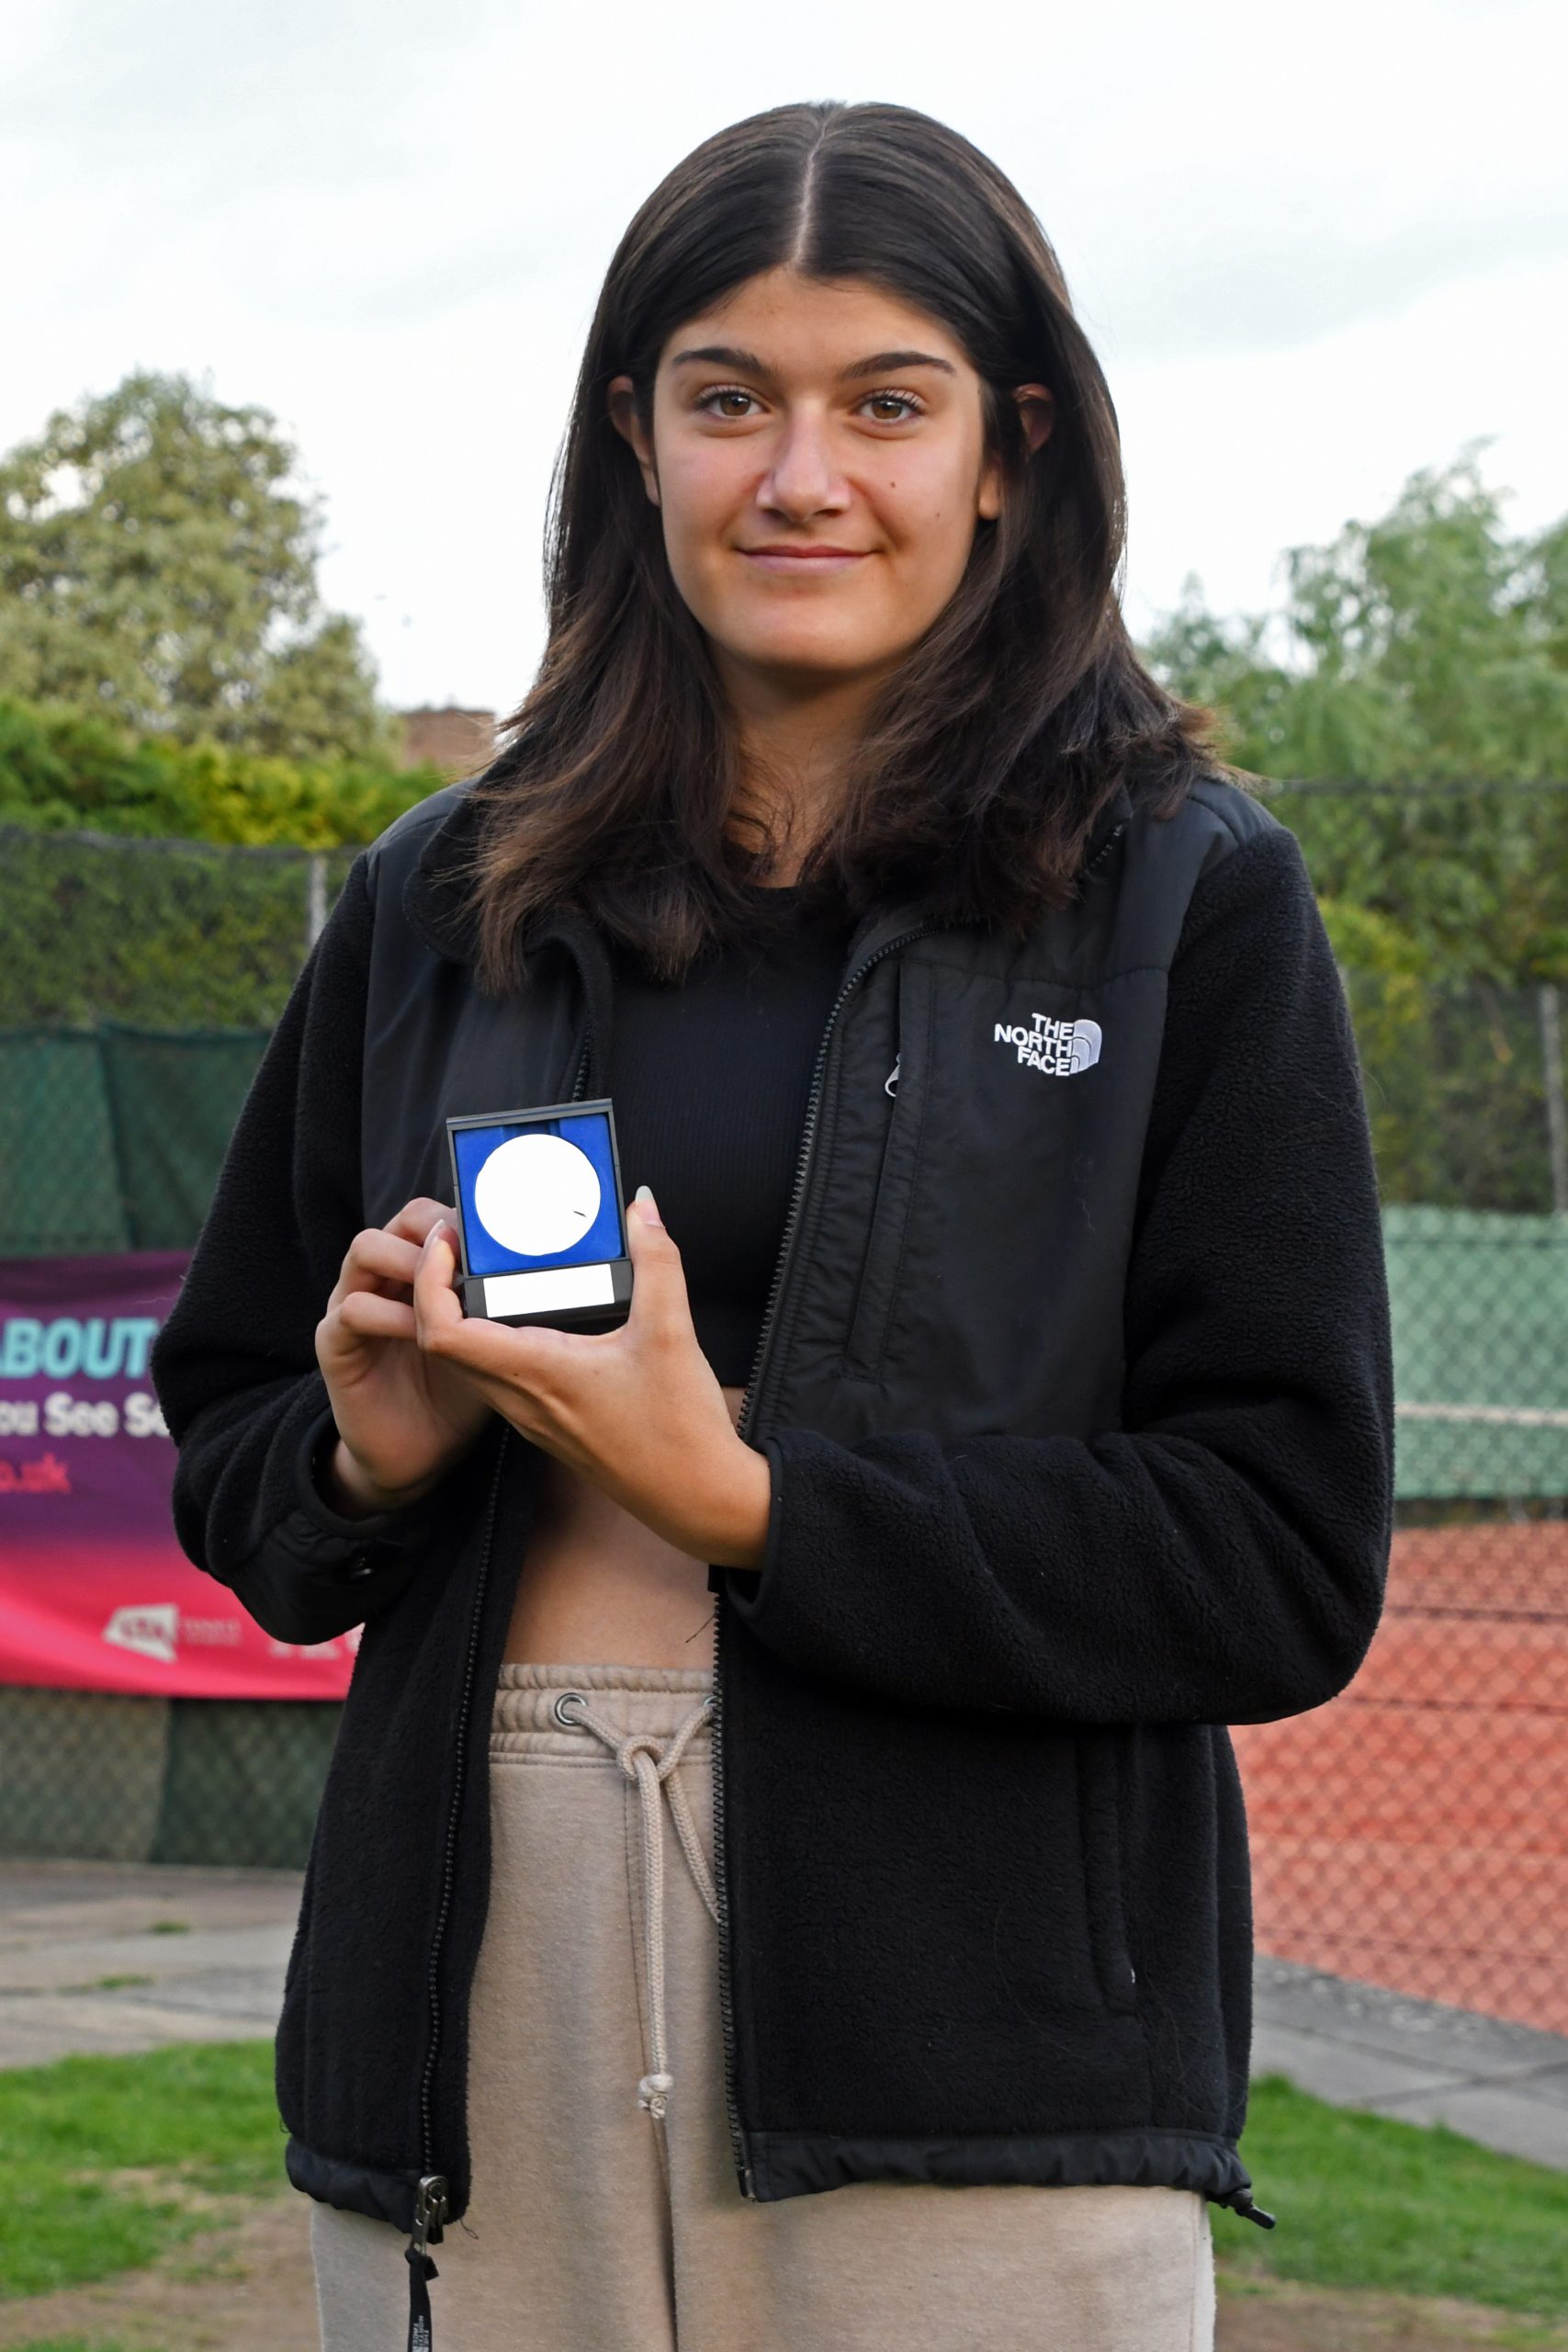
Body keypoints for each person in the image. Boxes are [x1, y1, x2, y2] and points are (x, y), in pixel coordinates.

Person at [152, 97, 1395, 2352]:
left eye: (884, 405)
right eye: (728, 398)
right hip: (466, 2032)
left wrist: (744, 1497)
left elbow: (1274, 1550)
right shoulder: (438, 893)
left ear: (1009, 448)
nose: (798, 475)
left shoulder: (1186, 898)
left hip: (970, 2063)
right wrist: (361, 1454)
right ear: (634, 434)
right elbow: (237, 1452)